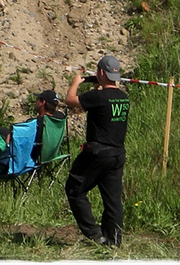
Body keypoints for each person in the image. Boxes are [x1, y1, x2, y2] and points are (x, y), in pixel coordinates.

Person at [63, 54, 130, 248]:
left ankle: (95, 234)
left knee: (74, 189)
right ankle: (114, 241)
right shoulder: (123, 98)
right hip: (117, 154)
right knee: (113, 200)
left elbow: (70, 100)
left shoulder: (97, 97)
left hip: (98, 153)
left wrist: (76, 82)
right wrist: (97, 85)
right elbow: (104, 106)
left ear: (101, 72)